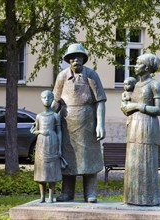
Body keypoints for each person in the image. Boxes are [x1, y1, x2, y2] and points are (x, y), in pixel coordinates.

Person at [51, 43, 107, 203]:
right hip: (67, 124)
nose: (77, 60)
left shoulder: (91, 75)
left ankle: (90, 192)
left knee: (89, 158)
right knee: (68, 159)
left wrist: (100, 124)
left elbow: (100, 101)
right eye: (73, 57)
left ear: (84, 58)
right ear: (69, 60)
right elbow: (56, 101)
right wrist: (47, 115)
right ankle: (67, 193)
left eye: (79, 57)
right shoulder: (62, 76)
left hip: (88, 123)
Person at [121, 53, 160, 206]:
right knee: (133, 161)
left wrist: (137, 106)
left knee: (146, 162)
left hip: (147, 125)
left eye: (138, 63)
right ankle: (132, 197)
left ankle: (149, 198)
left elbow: (159, 110)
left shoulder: (155, 85)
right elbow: (127, 105)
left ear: (146, 67)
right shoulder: (135, 86)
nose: (135, 66)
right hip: (133, 124)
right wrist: (125, 107)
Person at [32, 90, 62, 203]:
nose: (47, 100)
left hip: (52, 142)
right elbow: (35, 130)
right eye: (44, 97)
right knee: (42, 169)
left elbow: (59, 131)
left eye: (49, 97)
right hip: (41, 143)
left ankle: (50, 196)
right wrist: (40, 131)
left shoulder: (55, 116)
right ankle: (42, 197)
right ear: (41, 99)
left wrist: (59, 147)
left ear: (52, 99)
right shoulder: (38, 116)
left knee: (51, 170)